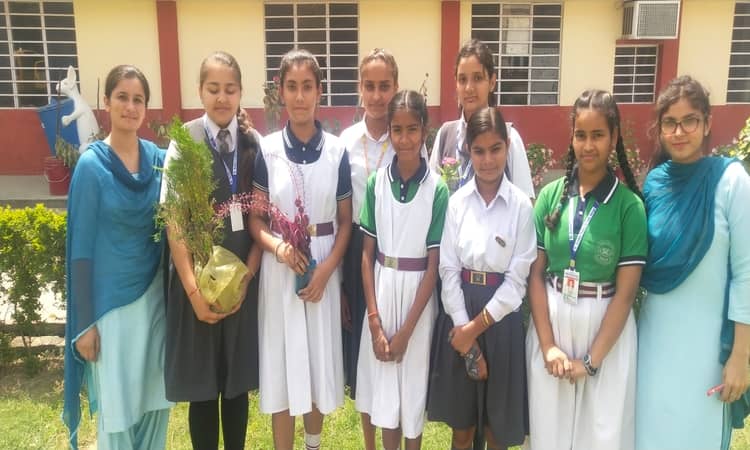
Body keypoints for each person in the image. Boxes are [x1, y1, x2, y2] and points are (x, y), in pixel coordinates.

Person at [525, 89, 647, 450]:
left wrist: (592, 362)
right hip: (552, 325)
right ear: (572, 137)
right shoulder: (550, 196)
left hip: (605, 334)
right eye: (581, 135)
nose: (588, 145)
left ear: (614, 137)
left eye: (598, 135)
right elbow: (535, 276)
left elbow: (626, 294)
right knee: (549, 435)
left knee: (601, 437)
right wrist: (548, 346)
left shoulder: (629, 206)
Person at [636, 75, 750, 450]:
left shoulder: (731, 181)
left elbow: (747, 273)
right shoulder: (654, 184)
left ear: (707, 123)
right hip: (653, 346)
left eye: (690, 121)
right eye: (670, 122)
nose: (679, 131)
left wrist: (740, 356)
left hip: (707, 354)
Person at [63, 64, 172, 450]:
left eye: (138, 99)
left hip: (156, 306)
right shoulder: (92, 167)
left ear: (146, 107)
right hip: (111, 314)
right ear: (106, 102)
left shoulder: (160, 162)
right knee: (118, 415)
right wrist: (85, 325)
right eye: (122, 97)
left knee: (156, 406)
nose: (130, 106)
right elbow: (81, 253)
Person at [249, 48, 352, 450]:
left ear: (319, 91)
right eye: (291, 87)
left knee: (315, 363)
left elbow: (345, 222)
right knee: (282, 364)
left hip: (322, 263)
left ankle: (312, 444)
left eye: (307, 86)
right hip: (281, 269)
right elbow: (257, 220)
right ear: (281, 92)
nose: (299, 96)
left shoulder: (337, 151)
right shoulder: (268, 149)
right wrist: (278, 248)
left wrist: (327, 270)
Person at [162, 51, 262, 450]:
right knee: (203, 390)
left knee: (236, 387)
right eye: (213, 89)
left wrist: (247, 278)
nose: (222, 98)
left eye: (230, 89)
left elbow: (263, 218)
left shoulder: (253, 144)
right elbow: (174, 223)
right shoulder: (184, 143)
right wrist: (193, 292)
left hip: (240, 287)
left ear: (241, 92)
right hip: (197, 289)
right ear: (200, 91)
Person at [427, 106, 535, 450]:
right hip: (460, 313)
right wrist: (463, 332)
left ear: (507, 147)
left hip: (500, 321)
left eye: (495, 149)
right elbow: (448, 269)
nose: (487, 160)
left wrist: (474, 330)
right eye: (478, 151)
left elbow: (517, 280)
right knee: (462, 428)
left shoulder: (521, 206)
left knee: (495, 430)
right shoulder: (457, 203)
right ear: (468, 151)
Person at [355, 89, 448, 450]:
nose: (405, 138)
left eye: (412, 129)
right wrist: (374, 321)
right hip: (381, 290)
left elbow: (433, 265)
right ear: (389, 131)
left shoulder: (436, 189)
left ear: (424, 131)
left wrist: (406, 331)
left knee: (411, 392)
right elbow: (367, 256)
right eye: (397, 129)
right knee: (385, 396)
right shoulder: (376, 183)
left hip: (417, 302)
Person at [339, 47, 399, 450]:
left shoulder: (406, 138)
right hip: (357, 249)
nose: (377, 96)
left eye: (385, 86)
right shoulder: (344, 143)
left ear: (395, 87)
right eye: (370, 86)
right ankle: (369, 443)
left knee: (390, 342)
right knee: (363, 350)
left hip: (395, 253)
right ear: (360, 88)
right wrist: (343, 285)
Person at [428, 38, 534, 198]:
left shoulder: (509, 137)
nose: (469, 88)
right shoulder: (445, 135)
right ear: (456, 84)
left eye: (477, 78)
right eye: (462, 80)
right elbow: (432, 196)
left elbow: (526, 201)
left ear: (492, 82)